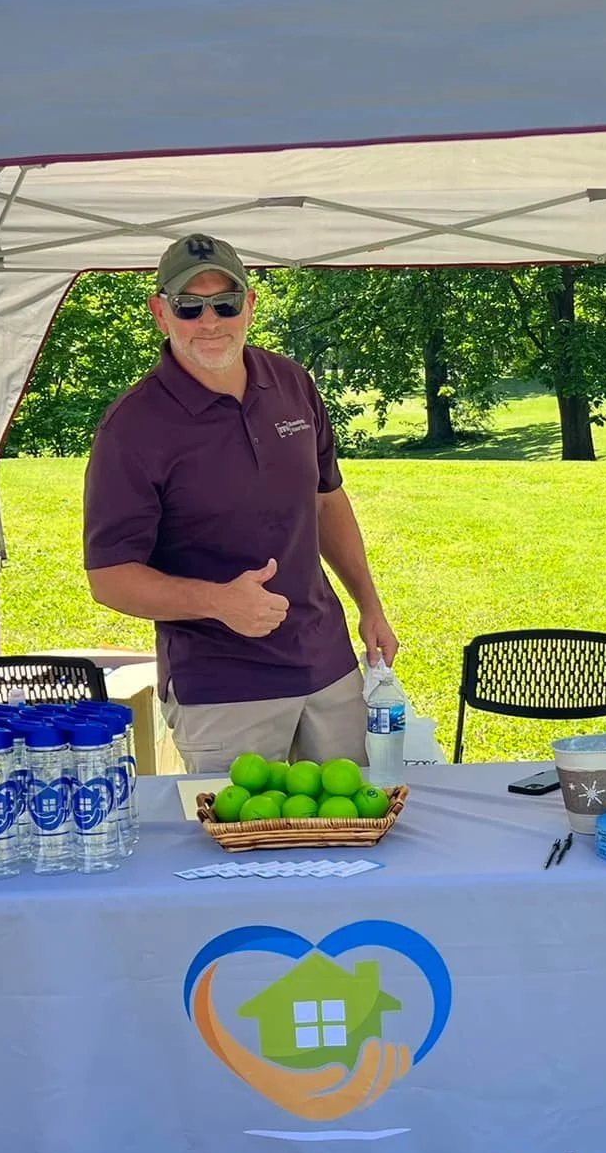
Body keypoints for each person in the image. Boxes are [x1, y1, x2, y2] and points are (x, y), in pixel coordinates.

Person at [83, 233, 398, 774]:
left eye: (225, 303)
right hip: (223, 687)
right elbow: (109, 577)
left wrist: (370, 604)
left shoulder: (292, 383)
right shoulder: (131, 428)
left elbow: (326, 501)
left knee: (353, 835)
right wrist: (220, 602)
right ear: (161, 313)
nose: (210, 321)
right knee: (242, 852)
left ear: (250, 305)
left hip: (329, 666)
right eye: (189, 306)